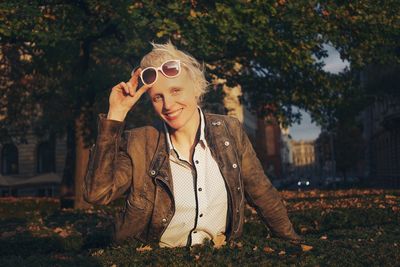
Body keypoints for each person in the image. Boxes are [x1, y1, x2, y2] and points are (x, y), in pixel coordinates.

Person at [84, 41, 301, 248]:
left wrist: (293, 243)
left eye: (176, 91)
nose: (168, 105)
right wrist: (116, 114)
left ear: (196, 88)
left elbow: (262, 193)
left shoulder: (230, 131)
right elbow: (97, 194)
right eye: (157, 98)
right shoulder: (140, 143)